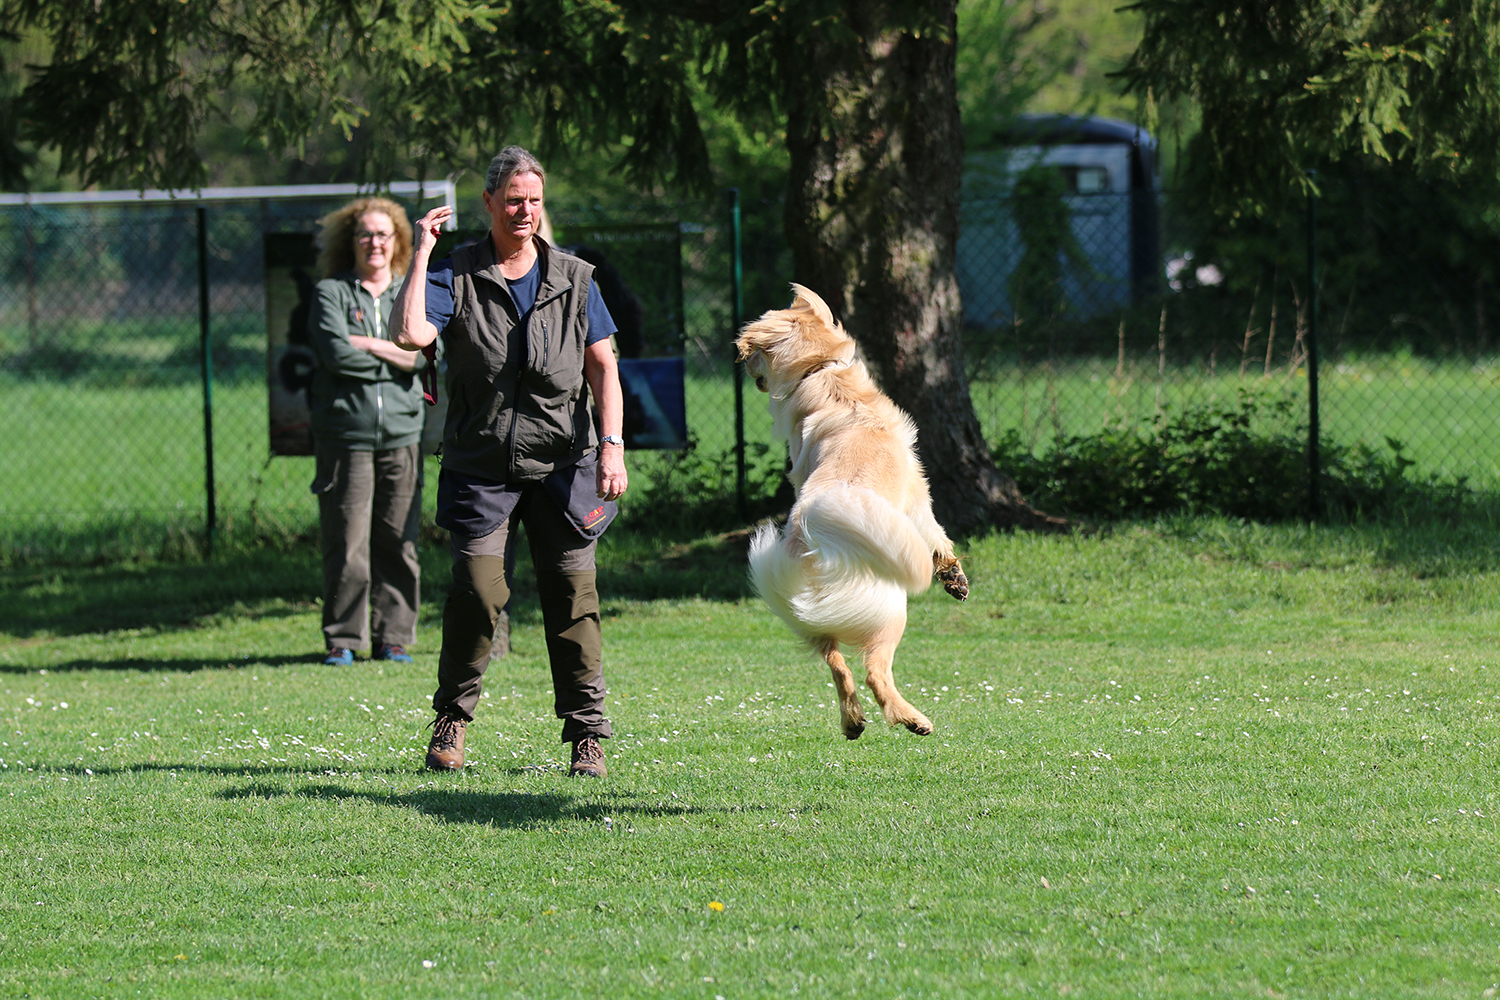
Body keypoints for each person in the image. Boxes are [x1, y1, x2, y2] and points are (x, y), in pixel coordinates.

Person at [392, 146, 629, 778]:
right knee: (477, 589)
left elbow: (603, 368)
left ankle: (587, 735)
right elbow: (409, 334)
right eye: (513, 200)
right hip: (482, 463)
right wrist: (422, 253)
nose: (524, 211)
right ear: (490, 203)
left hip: (564, 465)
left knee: (573, 597)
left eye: (534, 201)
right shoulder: (457, 273)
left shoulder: (575, 277)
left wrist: (612, 446)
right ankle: (451, 720)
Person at [306, 197, 427, 667]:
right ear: (350, 241)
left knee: (399, 541)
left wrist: (370, 344)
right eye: (365, 234)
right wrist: (395, 354)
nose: (374, 242)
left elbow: (423, 356)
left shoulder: (410, 292)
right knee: (347, 543)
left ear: (397, 240)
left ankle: (392, 637)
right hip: (346, 436)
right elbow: (337, 356)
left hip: (402, 433)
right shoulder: (330, 293)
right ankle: (343, 639)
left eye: (383, 234)